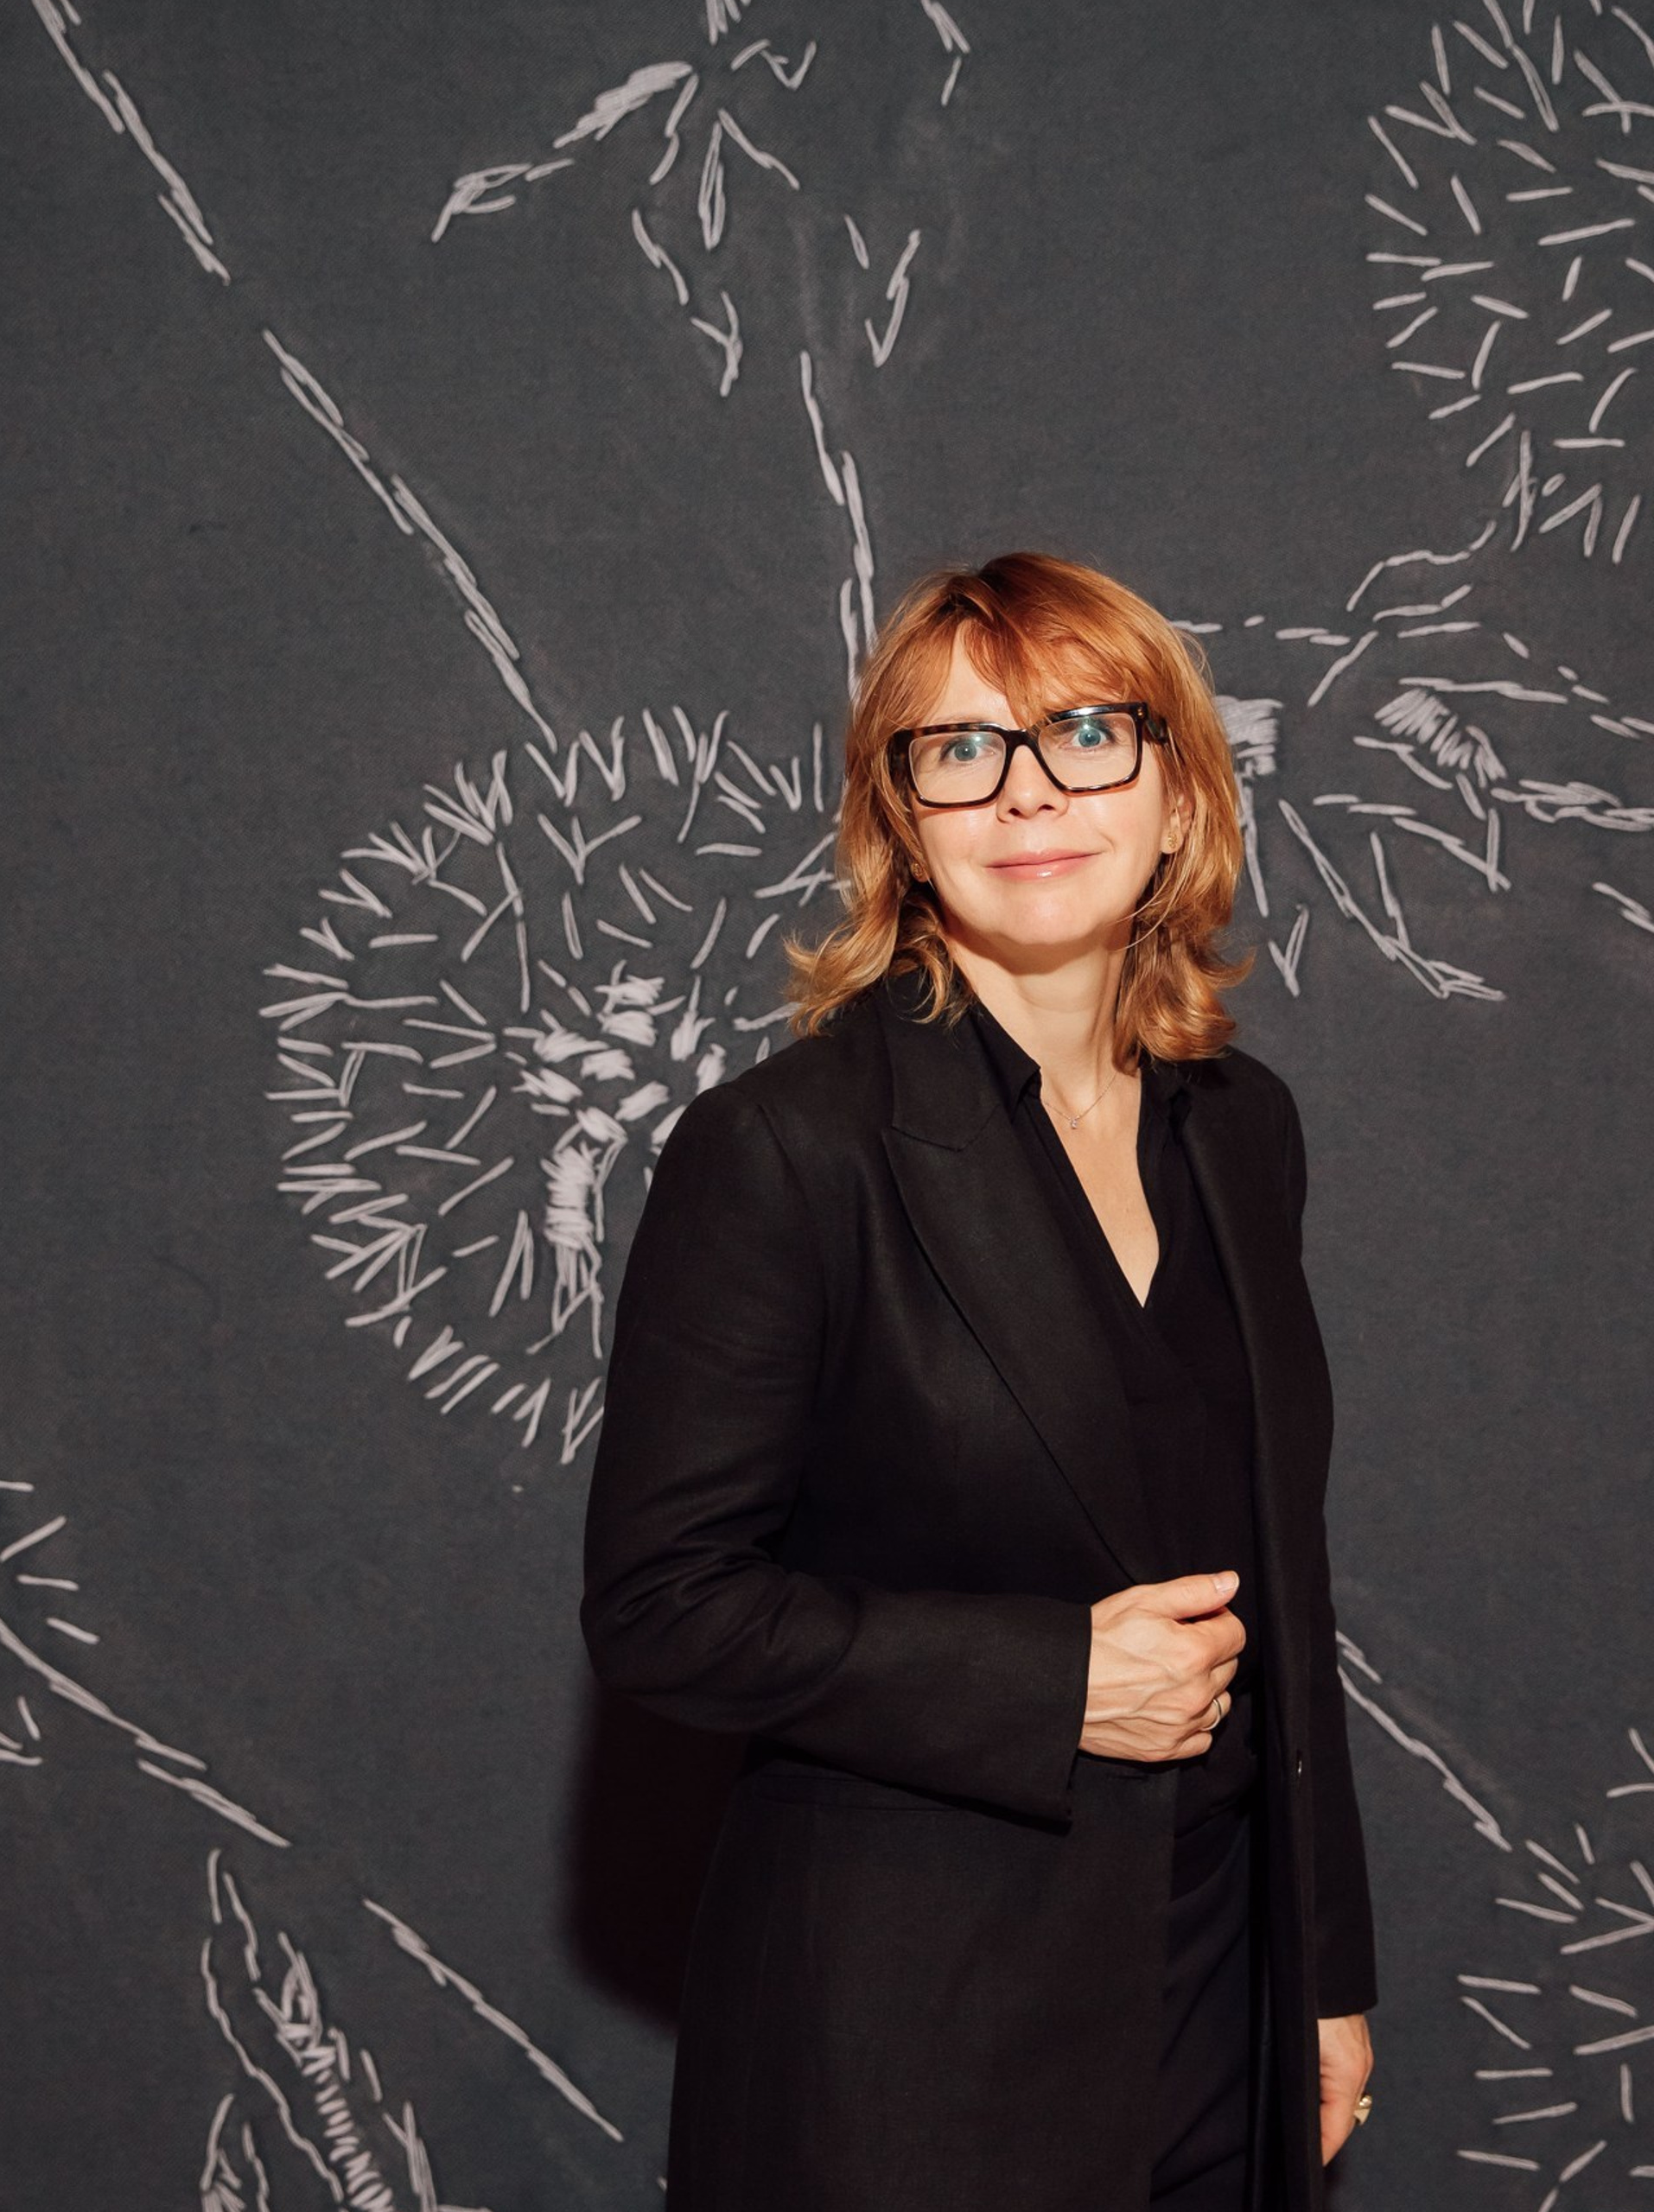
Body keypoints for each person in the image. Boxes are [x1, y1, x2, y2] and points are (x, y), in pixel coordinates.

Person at [580, 550, 1377, 2212]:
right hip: (909, 2047)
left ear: (1180, 792)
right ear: (903, 819)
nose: (1029, 792)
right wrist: (1053, 1682)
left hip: (1219, 1999)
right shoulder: (786, 1150)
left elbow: (1287, 1588)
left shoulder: (1246, 1131)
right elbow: (663, 1606)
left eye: (1088, 732)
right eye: (962, 749)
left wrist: (1323, 1967)